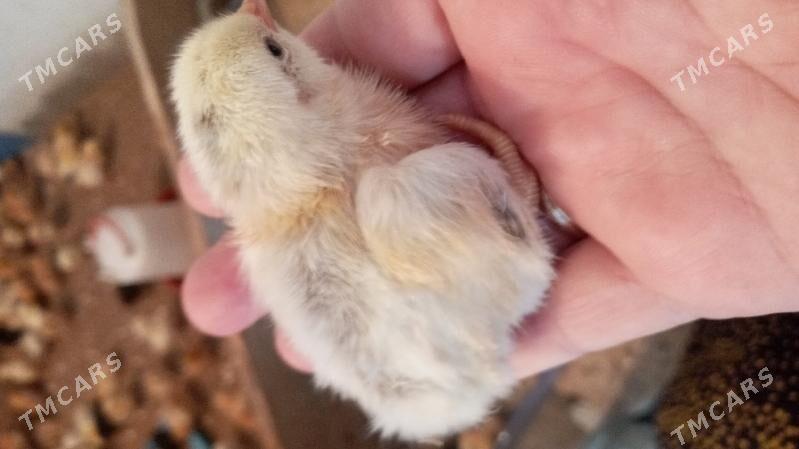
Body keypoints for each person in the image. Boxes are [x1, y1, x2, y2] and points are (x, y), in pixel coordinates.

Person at [177, 0, 799, 377]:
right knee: (410, 198)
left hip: (446, 356)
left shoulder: (278, 225)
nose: (260, 11)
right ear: (293, 86)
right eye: (271, 43)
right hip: (462, 325)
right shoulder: (377, 173)